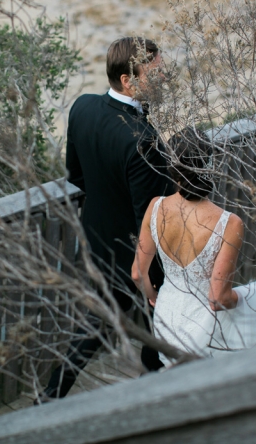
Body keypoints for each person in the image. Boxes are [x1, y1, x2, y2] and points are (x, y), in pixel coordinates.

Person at [37, 37, 175, 402]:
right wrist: (150, 273)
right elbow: (149, 217)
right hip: (137, 255)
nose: (163, 78)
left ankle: (50, 396)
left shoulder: (82, 107)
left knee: (95, 325)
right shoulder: (143, 141)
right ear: (128, 80)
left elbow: (76, 177)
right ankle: (154, 389)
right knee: (159, 321)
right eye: (156, 72)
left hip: (97, 239)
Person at [132, 131, 256, 367]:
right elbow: (218, 299)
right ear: (208, 167)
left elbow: (138, 273)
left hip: (166, 321)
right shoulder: (229, 223)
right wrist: (251, 294)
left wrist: (153, 297)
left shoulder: (155, 207)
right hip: (206, 330)